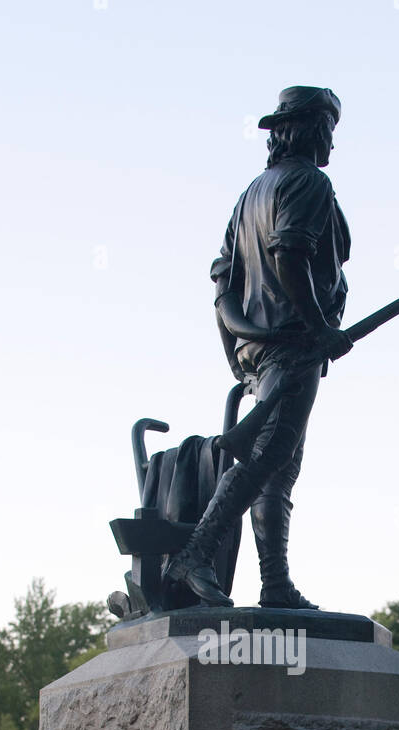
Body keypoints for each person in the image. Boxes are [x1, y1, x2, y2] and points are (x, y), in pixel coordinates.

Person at [163, 86, 353, 609]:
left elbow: (222, 281)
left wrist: (240, 344)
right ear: (314, 131)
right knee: (268, 456)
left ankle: (274, 583)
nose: (332, 147)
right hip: (292, 346)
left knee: (279, 464)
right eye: (329, 132)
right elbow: (290, 255)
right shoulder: (309, 183)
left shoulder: (251, 194)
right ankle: (196, 552)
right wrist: (320, 329)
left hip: (263, 349)